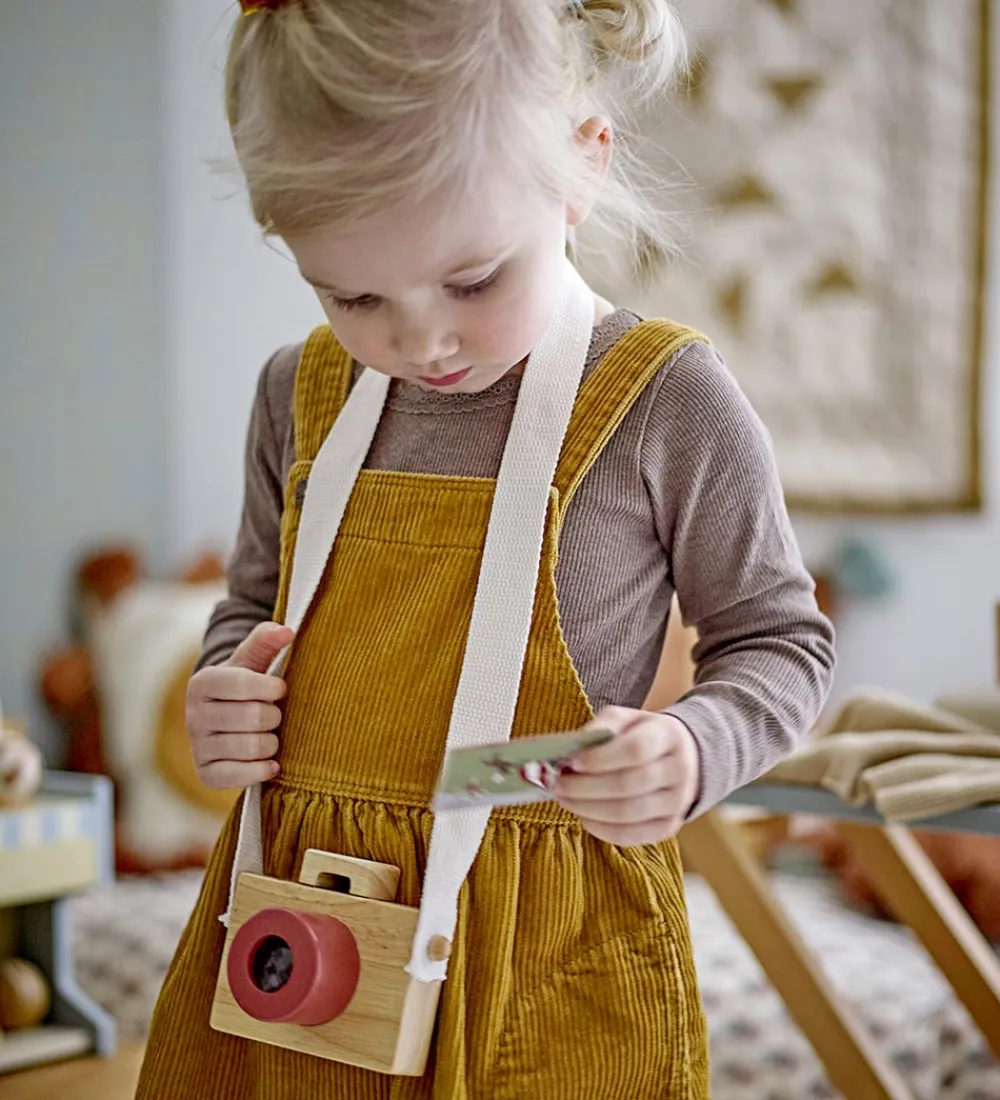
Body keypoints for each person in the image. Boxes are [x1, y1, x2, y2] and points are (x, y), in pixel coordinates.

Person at [136, 1, 835, 1097]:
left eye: (471, 280)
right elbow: (252, 604)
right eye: (352, 293)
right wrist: (222, 686)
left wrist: (695, 748)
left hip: (544, 936)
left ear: (581, 169)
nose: (420, 339)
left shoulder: (665, 400)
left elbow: (780, 642)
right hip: (295, 905)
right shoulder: (298, 393)